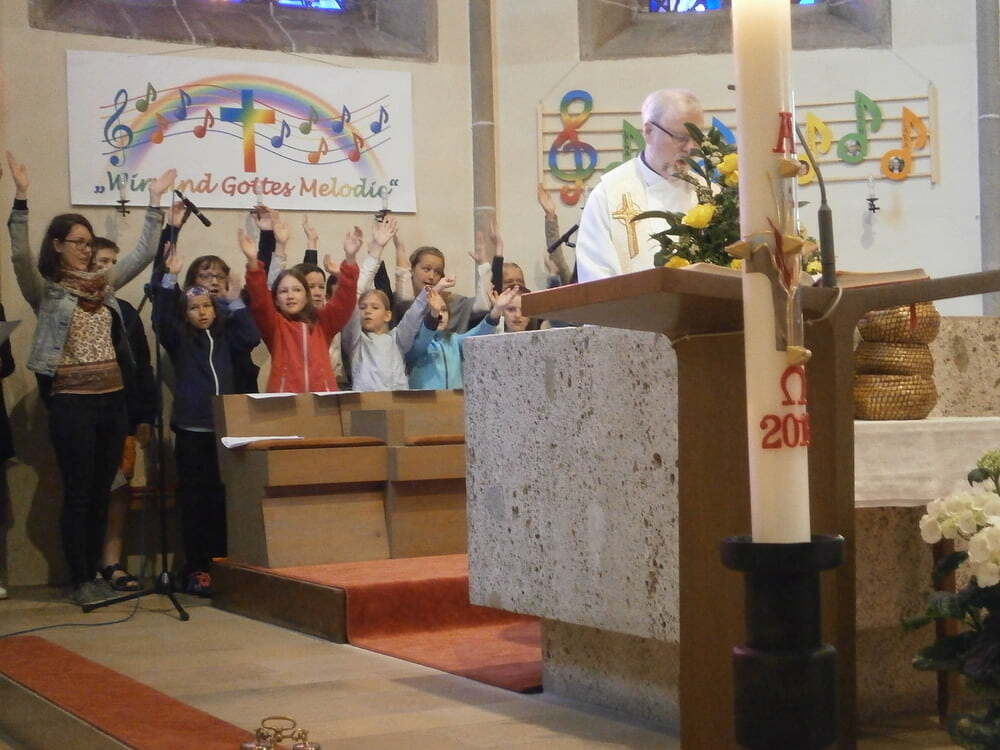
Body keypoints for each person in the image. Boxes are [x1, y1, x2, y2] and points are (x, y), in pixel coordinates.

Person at [6, 151, 175, 606]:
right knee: (79, 492)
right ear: (58, 245)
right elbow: (19, 255)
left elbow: (143, 253)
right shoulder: (47, 291)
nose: (85, 249)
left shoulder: (104, 285)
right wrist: (21, 197)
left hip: (112, 402)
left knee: (103, 491)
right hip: (72, 404)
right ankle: (80, 578)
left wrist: (154, 202)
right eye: (77, 242)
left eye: (88, 242)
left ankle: (98, 572)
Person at [153, 252, 259, 596]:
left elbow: (251, 337)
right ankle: (197, 567)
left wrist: (236, 301)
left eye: (207, 306)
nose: (202, 312)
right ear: (185, 313)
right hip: (192, 431)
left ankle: (221, 564)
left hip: (224, 431)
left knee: (220, 500)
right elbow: (162, 320)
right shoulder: (182, 340)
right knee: (195, 502)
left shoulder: (226, 335)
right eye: (194, 308)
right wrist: (169, 279)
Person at [575, 88, 703, 281]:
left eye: (697, 138)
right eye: (681, 137)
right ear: (649, 131)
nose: (690, 148)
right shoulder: (608, 195)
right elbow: (595, 276)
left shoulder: (708, 193)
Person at [90, 237, 156, 592]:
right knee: (86, 490)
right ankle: (84, 563)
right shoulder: (73, 307)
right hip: (84, 412)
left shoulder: (127, 311)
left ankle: (111, 561)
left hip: (123, 411)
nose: (109, 269)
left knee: (119, 488)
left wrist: (145, 414)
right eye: (102, 262)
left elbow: (142, 366)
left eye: (114, 263)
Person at [240, 228, 358, 393]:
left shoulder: (322, 324)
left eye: (296, 290)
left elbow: (345, 301)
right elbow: (259, 300)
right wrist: (253, 262)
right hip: (285, 403)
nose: (290, 296)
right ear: (276, 299)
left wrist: (350, 259)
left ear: (306, 295)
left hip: (323, 402)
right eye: (283, 291)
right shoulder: (275, 327)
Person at [407, 284, 518, 390]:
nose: (440, 315)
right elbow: (423, 339)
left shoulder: (453, 340)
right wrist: (433, 316)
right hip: (424, 401)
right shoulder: (414, 343)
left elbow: (478, 334)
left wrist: (497, 310)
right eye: (433, 310)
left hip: (455, 399)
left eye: (444, 310)